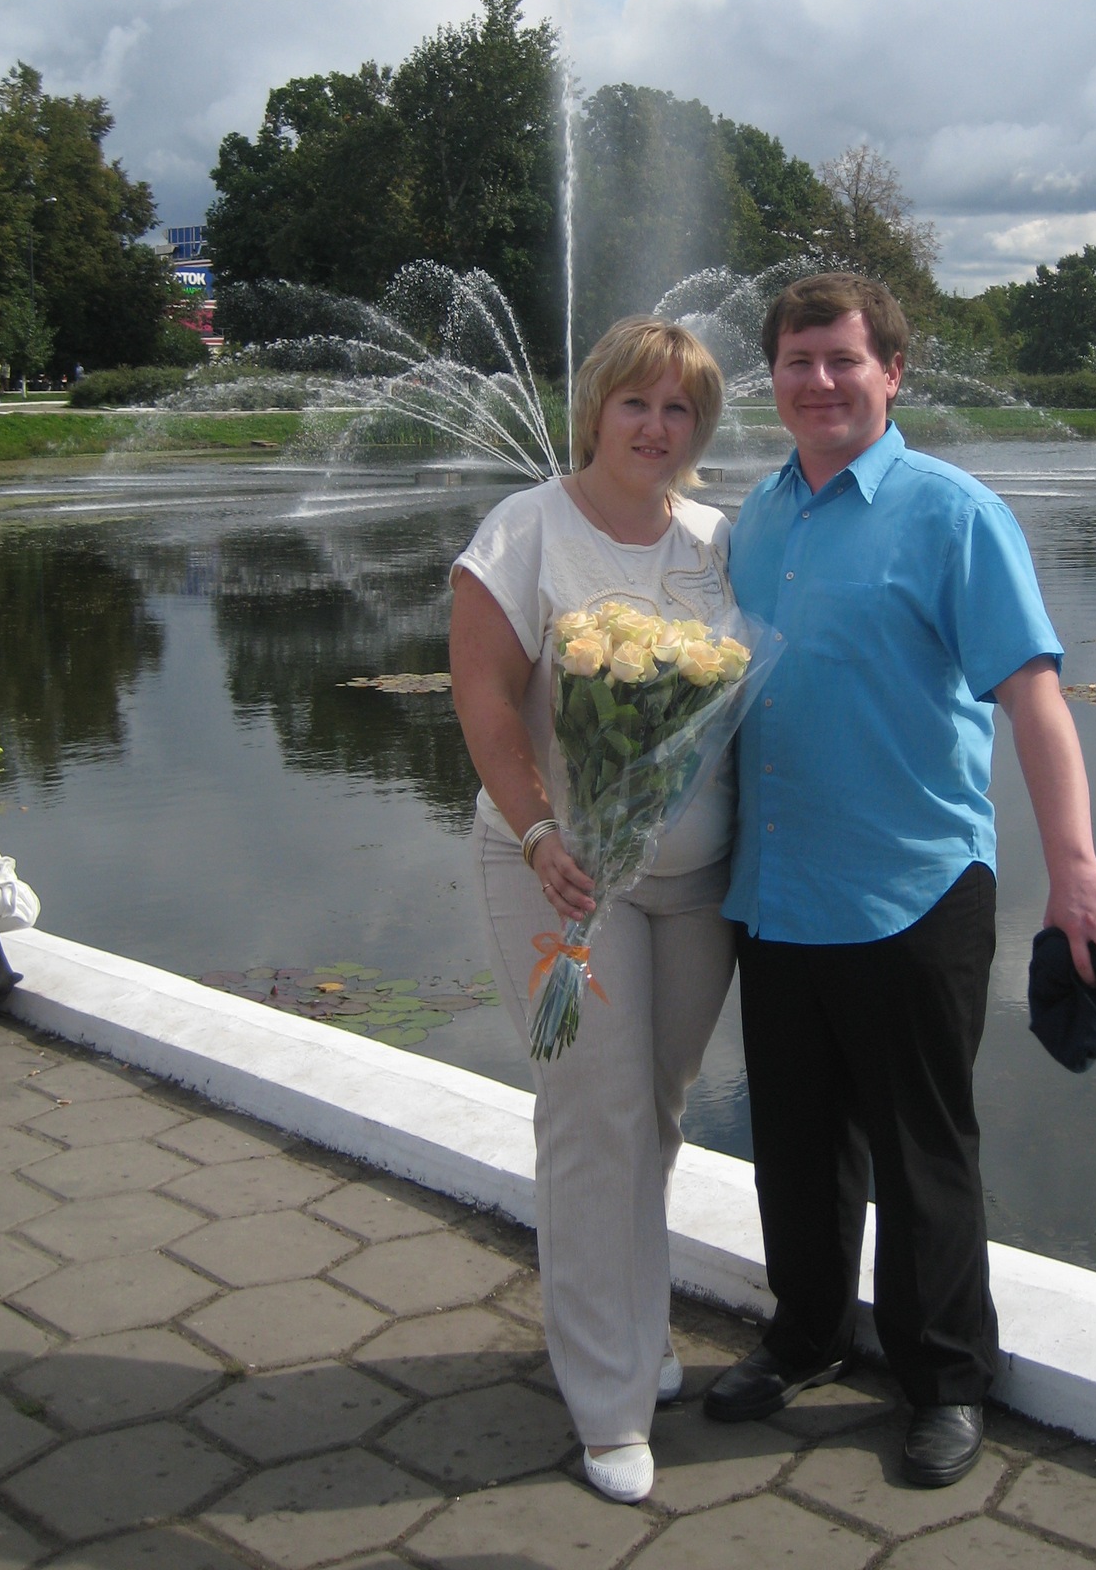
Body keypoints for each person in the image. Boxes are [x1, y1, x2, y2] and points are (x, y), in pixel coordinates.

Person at [703, 272, 1096, 1488]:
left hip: (913, 888)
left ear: (892, 373)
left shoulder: (955, 515)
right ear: (772, 376)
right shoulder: (756, 520)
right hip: (777, 886)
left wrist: (1074, 866)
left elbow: (1035, 701)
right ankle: (805, 1334)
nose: (820, 381)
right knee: (795, 1141)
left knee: (921, 1152)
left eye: (844, 359)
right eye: (798, 360)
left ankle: (945, 1377)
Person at [449, 316, 735, 1507]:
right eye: (636, 403)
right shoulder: (526, 529)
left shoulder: (720, 541)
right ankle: (607, 1399)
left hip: (697, 885)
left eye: (680, 409)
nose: (657, 426)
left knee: (654, 1113)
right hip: (561, 876)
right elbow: (484, 694)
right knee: (590, 1117)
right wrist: (539, 829)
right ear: (595, 409)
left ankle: (632, 1317)